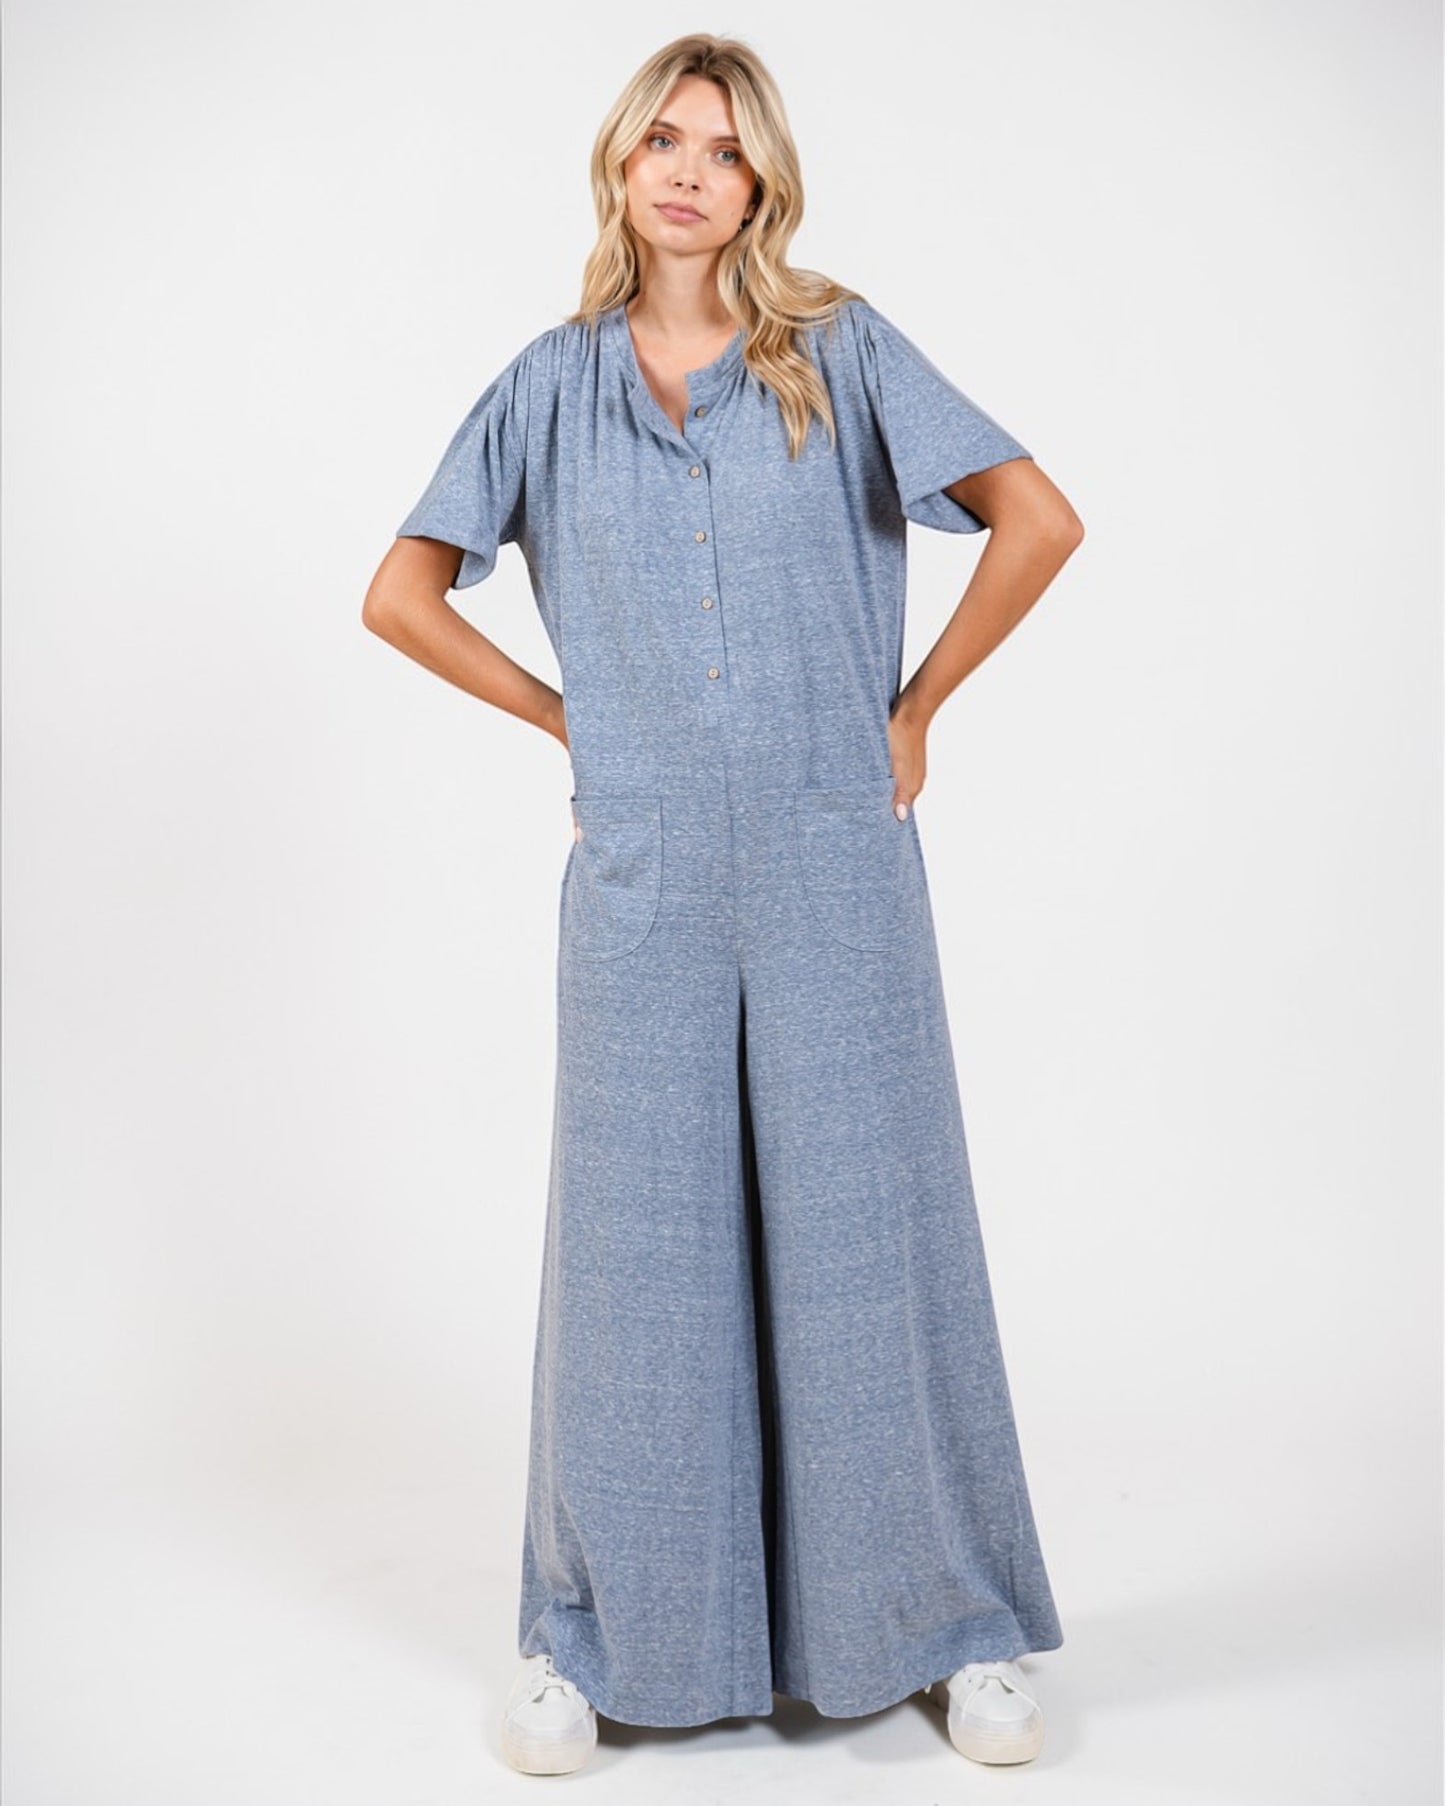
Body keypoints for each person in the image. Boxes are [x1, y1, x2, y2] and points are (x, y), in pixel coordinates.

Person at [363, 31, 1084, 1780]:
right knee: (634, 1241)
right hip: (645, 867)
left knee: (868, 1225)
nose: (689, 169)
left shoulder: (834, 353)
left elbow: (1037, 519)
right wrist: (563, 715)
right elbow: (397, 593)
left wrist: (911, 711)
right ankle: (592, 1635)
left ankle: (950, 1629)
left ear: (763, 182)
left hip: (837, 840)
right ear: (621, 166)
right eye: (662, 140)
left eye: (724, 147)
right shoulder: (544, 386)